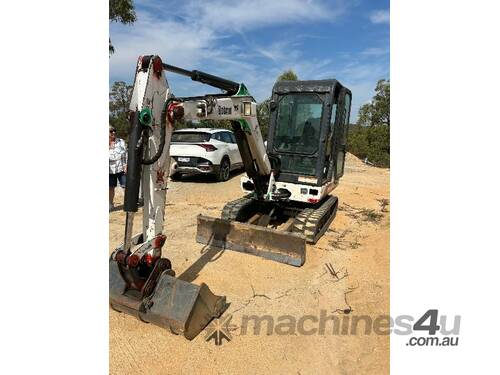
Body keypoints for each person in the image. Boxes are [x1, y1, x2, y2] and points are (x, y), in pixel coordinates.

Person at [109, 126, 127, 210]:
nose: (113, 133)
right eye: (111, 131)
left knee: (125, 186)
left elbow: (125, 154)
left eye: (114, 131)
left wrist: (126, 165)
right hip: (109, 169)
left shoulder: (121, 141)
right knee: (110, 187)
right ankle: (110, 204)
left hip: (121, 167)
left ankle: (128, 203)